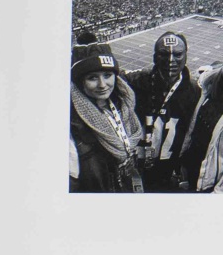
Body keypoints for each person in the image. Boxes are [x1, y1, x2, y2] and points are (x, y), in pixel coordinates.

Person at [68, 44, 144, 194]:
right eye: (92, 78)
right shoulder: (72, 123)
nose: (102, 85)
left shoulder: (124, 103)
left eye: (107, 75)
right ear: (80, 81)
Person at [133, 30, 200, 190]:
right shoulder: (137, 82)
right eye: (164, 54)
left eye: (178, 54)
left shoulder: (194, 92)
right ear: (154, 56)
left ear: (185, 56)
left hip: (168, 165)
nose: (171, 60)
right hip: (136, 161)